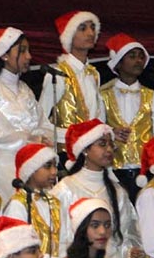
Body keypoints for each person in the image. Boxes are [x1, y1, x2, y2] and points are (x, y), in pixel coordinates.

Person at [51, 119, 143, 258]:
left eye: (111, 144)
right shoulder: (65, 189)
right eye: (102, 144)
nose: (109, 149)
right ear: (85, 149)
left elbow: (126, 235)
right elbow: (58, 239)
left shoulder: (117, 191)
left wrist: (128, 254)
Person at [0, 27, 53, 203]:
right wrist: (28, 138)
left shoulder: (25, 90)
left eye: (29, 50)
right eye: (22, 51)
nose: (29, 57)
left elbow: (43, 124)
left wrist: (46, 137)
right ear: (4, 55)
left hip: (34, 167)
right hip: (4, 172)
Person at [100, 34, 154, 203]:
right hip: (112, 173)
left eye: (141, 56)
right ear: (118, 62)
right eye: (132, 56)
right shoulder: (102, 97)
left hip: (145, 174)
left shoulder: (153, 97)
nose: (138, 60)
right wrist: (110, 132)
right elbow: (94, 131)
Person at [38, 11, 105, 152]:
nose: (90, 33)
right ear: (70, 36)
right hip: (66, 150)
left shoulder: (94, 73)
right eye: (83, 28)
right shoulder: (58, 74)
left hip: (91, 150)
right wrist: (70, 135)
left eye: (93, 28)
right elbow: (41, 118)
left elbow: (98, 115)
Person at [2, 142, 66, 258]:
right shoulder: (18, 204)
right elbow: (17, 249)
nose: (54, 172)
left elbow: (65, 239)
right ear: (31, 170)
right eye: (48, 166)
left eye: (55, 166)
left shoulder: (55, 202)